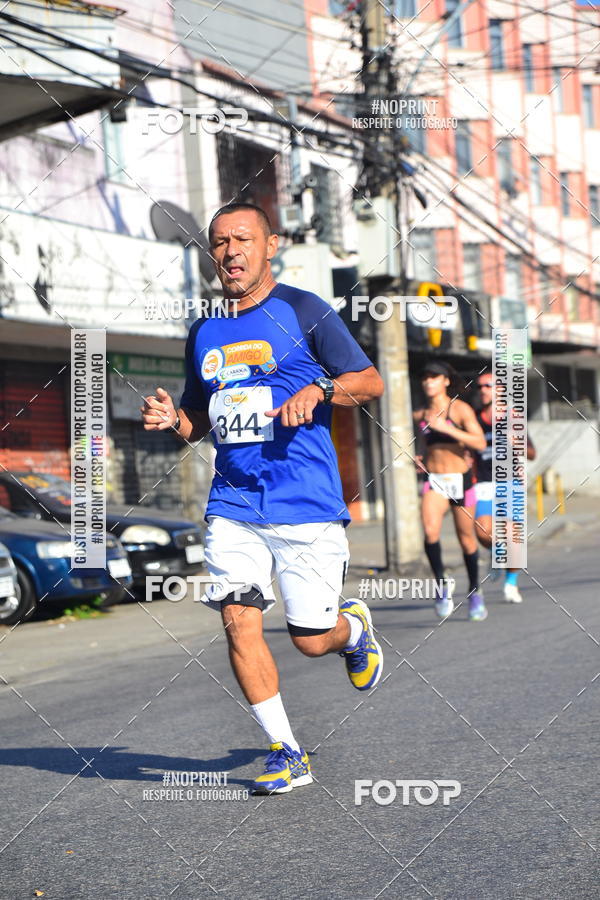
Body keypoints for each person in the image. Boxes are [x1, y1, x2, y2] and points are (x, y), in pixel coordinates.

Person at [141, 202, 384, 795]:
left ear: (270, 245)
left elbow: (369, 381)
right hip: (234, 502)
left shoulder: (304, 310)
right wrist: (175, 419)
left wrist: (321, 387)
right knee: (237, 619)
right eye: (220, 243)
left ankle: (351, 632)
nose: (230, 252)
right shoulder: (204, 331)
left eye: (242, 240)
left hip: (305, 502)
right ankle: (286, 751)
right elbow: (201, 419)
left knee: (308, 640)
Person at [413, 361, 487, 621]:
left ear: (446, 381)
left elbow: (479, 441)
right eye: (425, 377)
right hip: (435, 480)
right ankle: (442, 585)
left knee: (466, 539)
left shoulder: (459, 410)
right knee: (430, 532)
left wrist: (447, 429)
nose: (428, 382)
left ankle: (475, 592)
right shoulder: (420, 415)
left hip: (461, 480)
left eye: (434, 377)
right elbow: (423, 442)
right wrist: (419, 455)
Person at [473, 368, 536, 603]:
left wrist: (516, 442)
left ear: (500, 390)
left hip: (510, 483)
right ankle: (496, 553)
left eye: (487, 386)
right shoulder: (474, 418)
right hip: (483, 483)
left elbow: (532, 453)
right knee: (483, 532)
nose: (482, 390)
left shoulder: (513, 418)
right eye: (480, 386)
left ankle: (511, 584)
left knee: (512, 537)